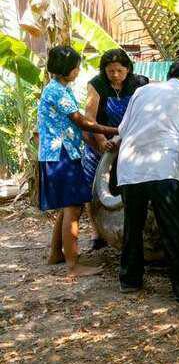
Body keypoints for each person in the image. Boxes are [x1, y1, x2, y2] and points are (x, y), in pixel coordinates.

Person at [111, 59, 179, 303]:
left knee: (133, 225)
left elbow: (123, 129)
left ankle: (129, 280)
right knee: (173, 229)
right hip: (164, 167)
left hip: (130, 166)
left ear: (169, 74)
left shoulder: (142, 92)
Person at [38, 45, 119, 277]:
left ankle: (56, 254)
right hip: (62, 154)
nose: (78, 71)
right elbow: (82, 122)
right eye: (76, 67)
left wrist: (98, 142)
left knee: (67, 207)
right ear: (67, 69)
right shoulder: (59, 92)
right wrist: (115, 130)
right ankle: (74, 266)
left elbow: (74, 126)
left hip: (59, 153)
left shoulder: (58, 88)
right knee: (73, 208)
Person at [82, 48, 149, 250]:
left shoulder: (140, 83)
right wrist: (102, 140)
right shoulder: (97, 84)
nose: (115, 75)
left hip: (130, 141)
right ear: (104, 70)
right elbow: (89, 118)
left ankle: (125, 227)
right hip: (99, 140)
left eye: (119, 70)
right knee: (92, 185)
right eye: (111, 71)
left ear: (128, 69)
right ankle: (96, 230)